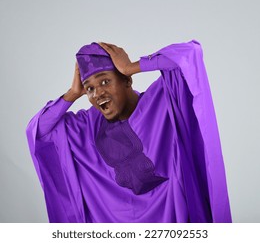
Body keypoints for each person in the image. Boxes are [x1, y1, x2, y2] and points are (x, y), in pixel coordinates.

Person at [26, 40, 232, 223]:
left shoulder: (162, 103)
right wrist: (72, 93)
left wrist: (132, 66)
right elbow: (40, 132)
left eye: (105, 81)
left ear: (126, 80)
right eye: (89, 88)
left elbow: (188, 55)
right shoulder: (85, 127)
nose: (98, 93)